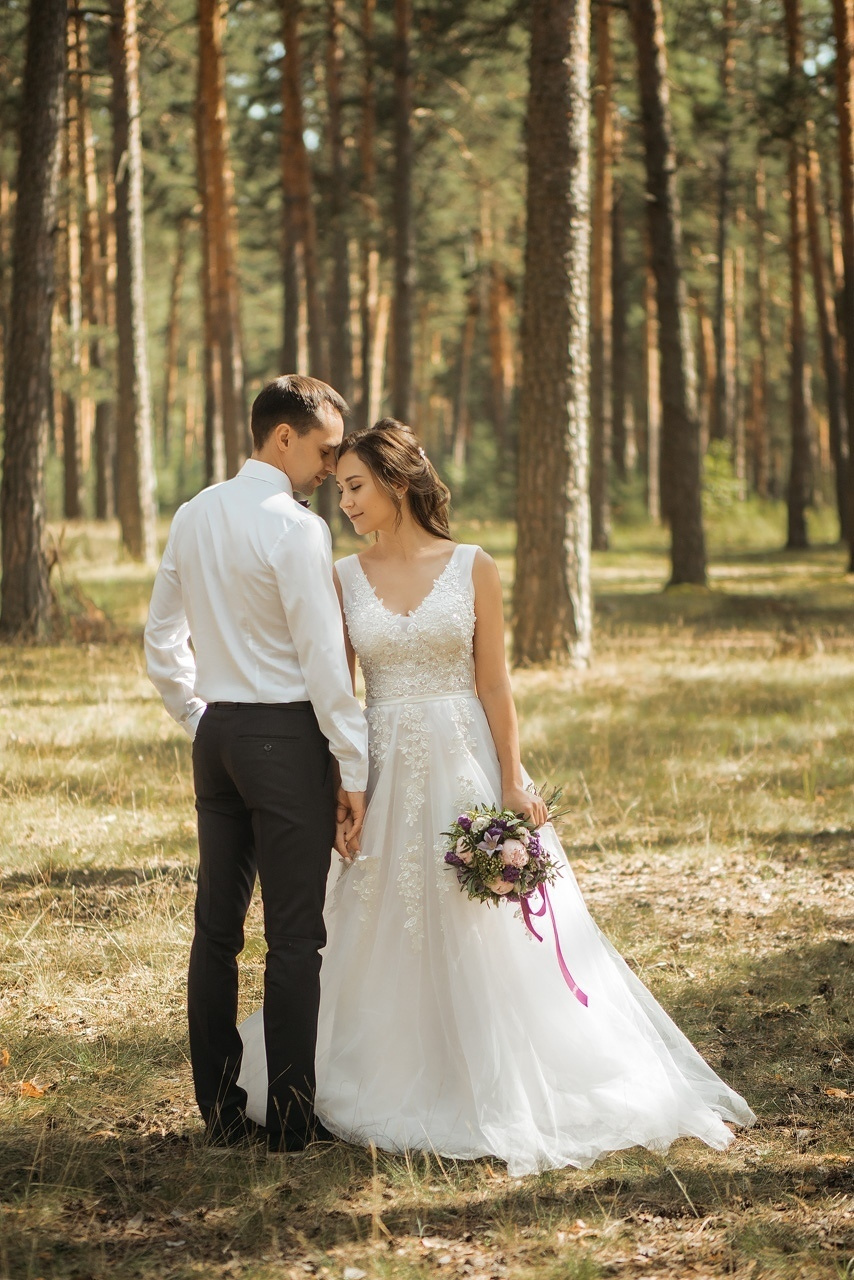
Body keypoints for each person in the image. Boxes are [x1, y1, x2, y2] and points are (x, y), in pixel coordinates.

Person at [238, 418, 755, 1176]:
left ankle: (498, 1070)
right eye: (339, 487)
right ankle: (380, 1062)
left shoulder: (473, 565)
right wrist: (343, 785)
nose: (342, 501)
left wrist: (512, 776)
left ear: (398, 482)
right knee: (378, 912)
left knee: (478, 912)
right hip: (382, 766)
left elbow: (493, 682)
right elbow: (339, 694)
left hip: (463, 761)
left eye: (354, 486)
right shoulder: (343, 577)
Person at [144, 375, 368, 1151]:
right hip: (285, 740)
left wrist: (197, 713)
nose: (330, 466)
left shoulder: (193, 513)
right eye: (324, 448)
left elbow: (160, 639)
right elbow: (322, 664)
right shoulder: (298, 529)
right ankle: (294, 1120)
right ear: (283, 437)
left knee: (216, 932)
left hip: (219, 740)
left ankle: (221, 1112)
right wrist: (355, 766)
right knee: (296, 938)